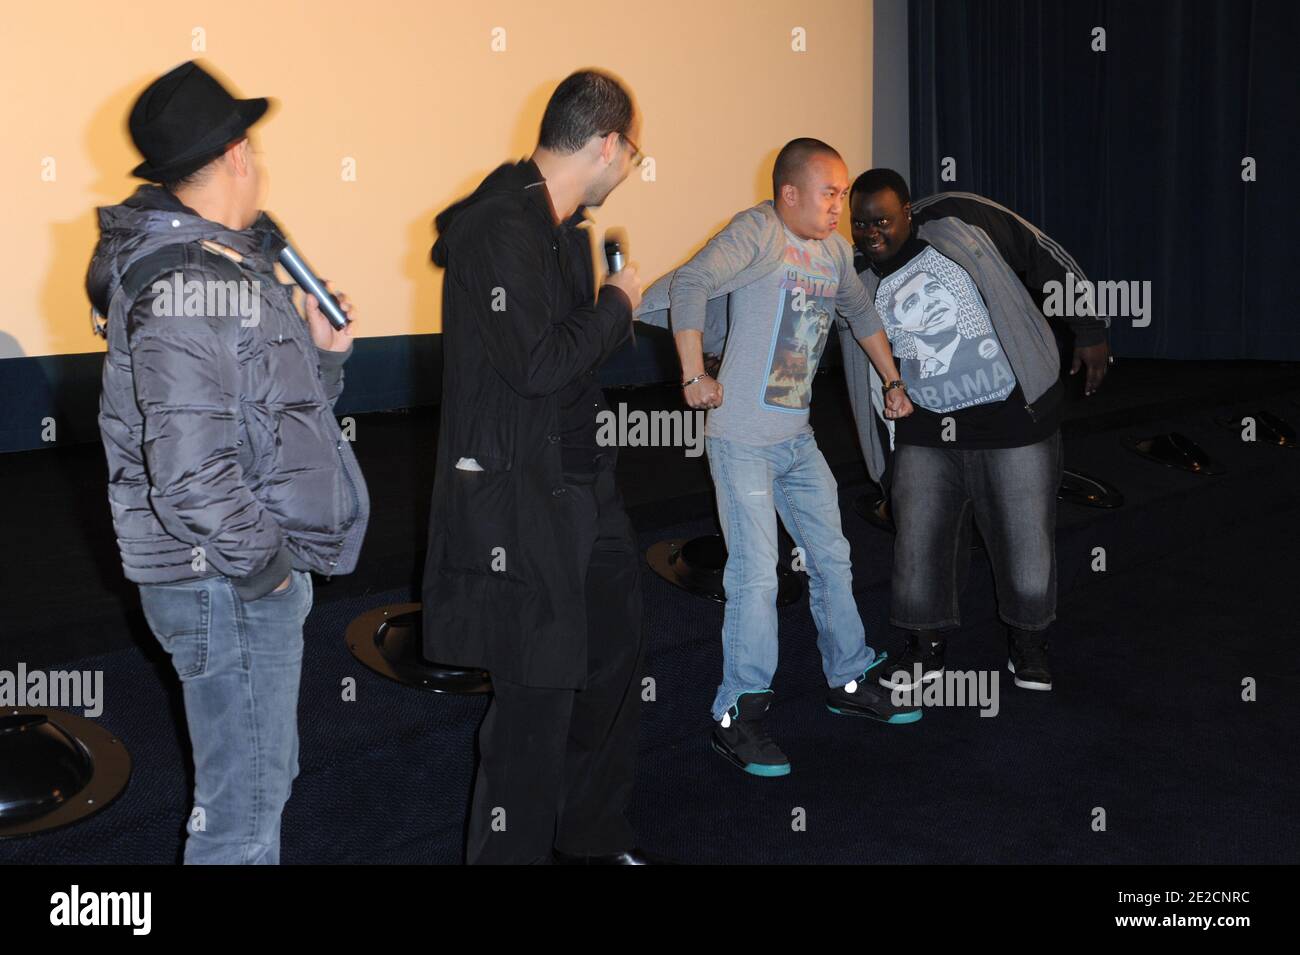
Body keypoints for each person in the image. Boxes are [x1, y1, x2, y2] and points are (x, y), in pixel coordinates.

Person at [87, 61, 369, 863]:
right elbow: (191, 476)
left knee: (261, 786)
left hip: (231, 578)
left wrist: (325, 358)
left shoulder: (226, 263)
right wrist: (269, 571)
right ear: (239, 154)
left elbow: (270, 423)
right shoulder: (183, 283)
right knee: (239, 823)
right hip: (223, 583)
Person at [422, 69, 654, 864]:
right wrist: (619, 303)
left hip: (584, 487)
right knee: (532, 710)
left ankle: (591, 839)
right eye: (633, 151)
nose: (630, 167)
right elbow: (537, 363)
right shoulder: (500, 227)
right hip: (522, 507)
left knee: (612, 668)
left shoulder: (560, 225)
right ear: (607, 144)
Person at [637, 139, 920, 779]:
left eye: (843, 193)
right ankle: (738, 711)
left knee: (833, 555)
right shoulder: (759, 231)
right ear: (789, 193)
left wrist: (893, 382)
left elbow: (861, 312)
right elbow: (691, 281)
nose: (840, 206)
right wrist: (690, 375)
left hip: (796, 438)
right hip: (741, 439)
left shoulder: (832, 254)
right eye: (830, 193)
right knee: (758, 574)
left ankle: (847, 679)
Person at [849, 170, 1111, 692]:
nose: (871, 232)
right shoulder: (855, 278)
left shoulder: (960, 218)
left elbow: (1042, 255)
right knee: (918, 543)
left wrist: (1090, 327)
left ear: (908, 211)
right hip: (924, 430)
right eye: (859, 223)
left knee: (1026, 538)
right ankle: (925, 649)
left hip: (1011, 420)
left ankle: (1028, 642)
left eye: (882, 220)